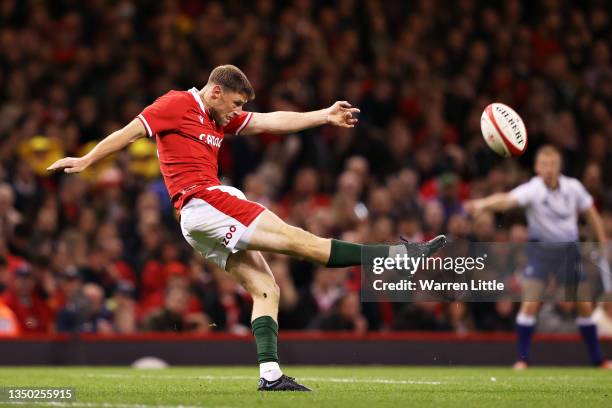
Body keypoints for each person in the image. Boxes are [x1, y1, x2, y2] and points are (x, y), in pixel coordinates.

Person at [48, 65, 446, 391]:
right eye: (234, 103)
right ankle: (400, 256)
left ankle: (270, 375)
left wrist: (323, 115)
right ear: (216, 91)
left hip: (195, 219)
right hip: (205, 200)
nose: (235, 113)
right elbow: (128, 132)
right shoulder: (175, 104)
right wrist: (86, 161)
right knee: (303, 243)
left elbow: (272, 121)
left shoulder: (220, 117)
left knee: (266, 288)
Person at [466, 145, 611, 369]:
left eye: (552, 164)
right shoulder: (533, 189)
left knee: (584, 306)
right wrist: (482, 204)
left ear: (559, 166)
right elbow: (506, 200)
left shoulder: (573, 188)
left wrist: (602, 241)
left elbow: (591, 213)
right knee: (530, 304)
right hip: (540, 251)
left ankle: (597, 360)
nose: (548, 169)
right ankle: (522, 360)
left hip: (568, 251)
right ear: (536, 167)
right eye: (543, 164)